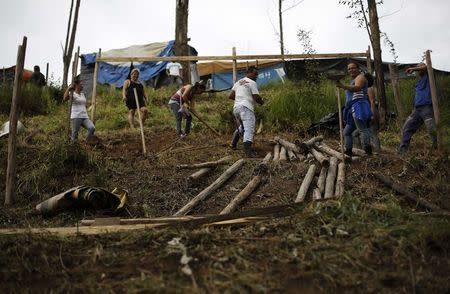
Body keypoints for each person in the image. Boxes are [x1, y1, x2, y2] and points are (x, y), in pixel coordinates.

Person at [398, 63, 437, 154]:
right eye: (418, 67)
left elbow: (427, 67)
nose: (418, 69)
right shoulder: (419, 81)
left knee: (431, 128)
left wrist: (413, 68)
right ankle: (402, 151)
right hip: (417, 110)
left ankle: (437, 148)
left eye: (420, 67)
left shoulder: (429, 76)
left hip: (427, 107)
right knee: (407, 127)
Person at [336, 62, 373, 156]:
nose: (351, 70)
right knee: (346, 132)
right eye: (349, 69)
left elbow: (357, 88)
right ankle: (348, 152)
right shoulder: (353, 80)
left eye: (353, 68)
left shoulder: (360, 77)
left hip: (358, 106)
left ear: (358, 68)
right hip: (351, 108)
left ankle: (368, 151)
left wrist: (343, 86)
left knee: (362, 129)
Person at [229, 66, 264, 157]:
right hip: (246, 108)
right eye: (255, 74)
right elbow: (256, 97)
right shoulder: (252, 83)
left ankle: (233, 144)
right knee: (249, 129)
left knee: (242, 127)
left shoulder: (238, 82)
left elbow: (231, 96)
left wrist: (240, 99)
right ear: (249, 73)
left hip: (236, 108)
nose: (256, 76)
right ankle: (248, 153)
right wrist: (261, 102)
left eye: (257, 74)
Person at [353, 72, 381, 152]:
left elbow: (372, 102)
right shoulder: (364, 89)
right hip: (365, 112)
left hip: (369, 112)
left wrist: (372, 115)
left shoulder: (368, 89)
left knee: (372, 132)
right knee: (357, 133)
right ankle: (362, 149)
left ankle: (376, 151)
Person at [63, 77, 95, 143]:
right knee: (75, 135)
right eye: (81, 84)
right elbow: (65, 99)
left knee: (91, 128)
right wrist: (68, 89)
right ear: (77, 85)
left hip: (84, 116)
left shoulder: (82, 94)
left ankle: (86, 142)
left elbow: (83, 104)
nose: (82, 85)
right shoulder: (72, 94)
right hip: (76, 116)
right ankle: (74, 149)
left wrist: (87, 107)